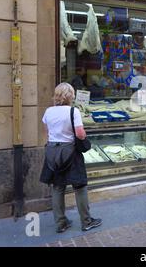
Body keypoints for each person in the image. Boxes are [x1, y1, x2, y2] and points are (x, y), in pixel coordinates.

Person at [40, 83, 102, 233]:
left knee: (58, 187)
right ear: (71, 96)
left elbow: (47, 131)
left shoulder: (48, 111)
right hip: (71, 152)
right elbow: (80, 134)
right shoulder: (73, 111)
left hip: (53, 153)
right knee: (80, 186)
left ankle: (61, 223)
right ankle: (86, 221)